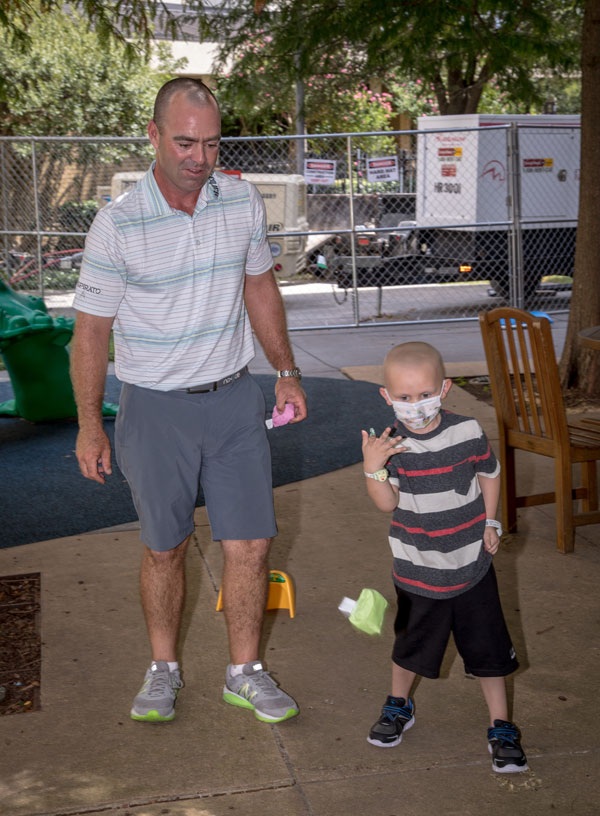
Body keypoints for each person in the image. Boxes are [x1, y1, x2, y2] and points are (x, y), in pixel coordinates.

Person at [71, 77, 307, 725]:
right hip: (154, 408)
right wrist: (92, 423)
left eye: (210, 143)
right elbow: (90, 332)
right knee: (164, 548)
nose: (199, 157)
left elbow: (259, 288)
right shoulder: (118, 223)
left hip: (233, 399)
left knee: (251, 545)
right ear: (152, 136)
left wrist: (284, 371)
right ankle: (163, 669)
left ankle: (245, 671)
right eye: (184, 142)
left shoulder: (240, 203)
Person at [360, 342, 528, 773]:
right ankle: (399, 705)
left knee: (489, 651)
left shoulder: (467, 431)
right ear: (386, 396)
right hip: (417, 568)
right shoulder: (391, 443)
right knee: (410, 645)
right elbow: (386, 503)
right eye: (403, 397)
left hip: (472, 566)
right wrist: (373, 468)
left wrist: (490, 522)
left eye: (424, 395)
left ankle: (501, 725)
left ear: (445, 389)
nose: (415, 406)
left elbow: (489, 473)